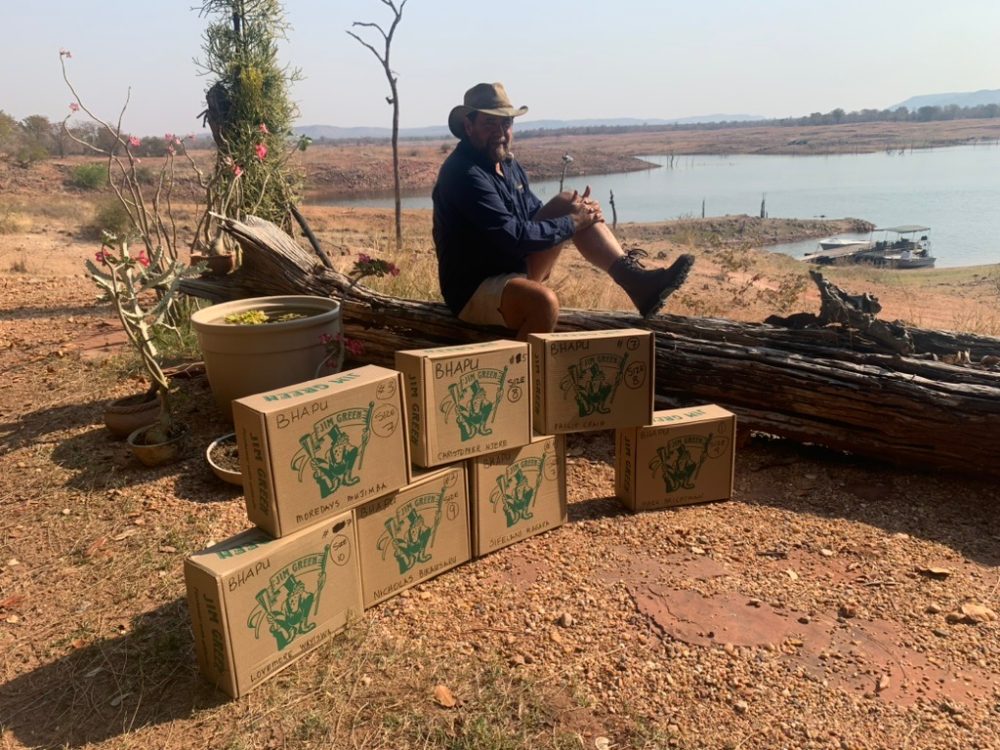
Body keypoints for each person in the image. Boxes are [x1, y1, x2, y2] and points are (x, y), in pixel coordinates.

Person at [433, 82, 694, 339]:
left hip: (512, 266)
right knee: (544, 303)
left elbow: (535, 212)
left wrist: (580, 213)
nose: (500, 132)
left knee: (570, 201)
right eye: (490, 123)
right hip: (474, 287)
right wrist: (573, 222)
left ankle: (637, 283)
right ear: (468, 126)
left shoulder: (506, 164)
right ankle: (520, 380)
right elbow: (514, 236)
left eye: (506, 123)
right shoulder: (464, 173)